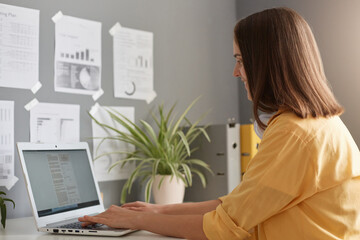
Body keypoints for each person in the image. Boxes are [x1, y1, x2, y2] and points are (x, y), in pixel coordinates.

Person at [79, 7, 360, 240]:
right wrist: (155, 211)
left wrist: (136, 220)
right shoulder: (318, 124)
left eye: (240, 59)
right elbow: (235, 205)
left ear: (266, 62)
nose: (236, 71)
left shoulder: (294, 133)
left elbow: (224, 226)